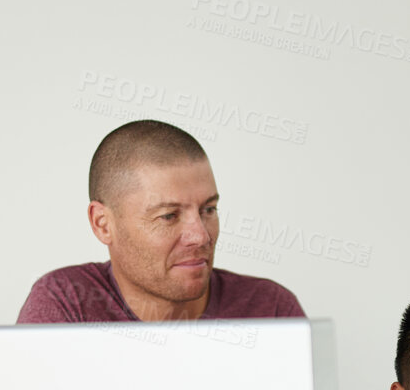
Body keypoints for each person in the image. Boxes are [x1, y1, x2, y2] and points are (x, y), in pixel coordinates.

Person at [17, 120, 306, 323]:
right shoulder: (67, 304)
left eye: (208, 209)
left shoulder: (272, 309)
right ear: (103, 224)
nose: (201, 237)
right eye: (169, 216)